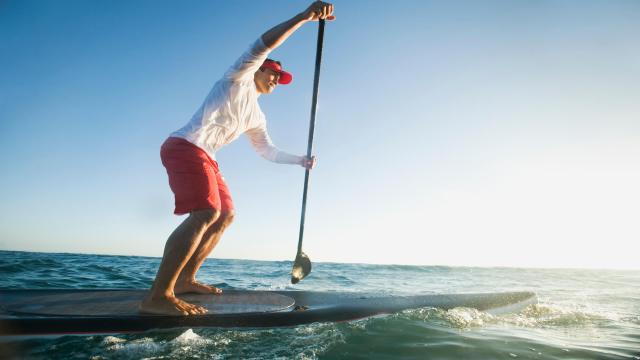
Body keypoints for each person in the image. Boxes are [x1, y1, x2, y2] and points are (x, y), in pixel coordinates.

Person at [140, 1, 335, 315]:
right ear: (258, 69)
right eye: (273, 72)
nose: (276, 79)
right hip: (185, 146)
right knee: (205, 212)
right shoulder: (238, 77)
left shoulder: (257, 116)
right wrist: (304, 17)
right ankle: (158, 296)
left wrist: (299, 160)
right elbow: (264, 43)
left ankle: (186, 279)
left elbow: (266, 150)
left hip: (207, 156)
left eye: (279, 78)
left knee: (225, 214)